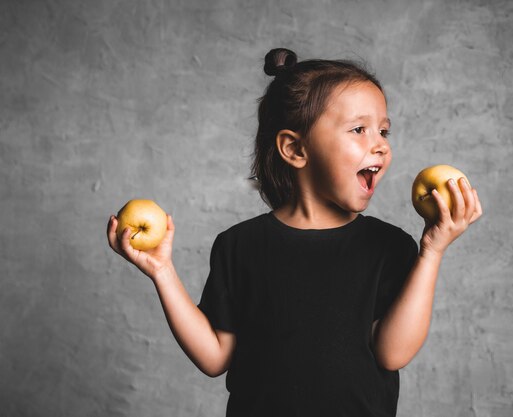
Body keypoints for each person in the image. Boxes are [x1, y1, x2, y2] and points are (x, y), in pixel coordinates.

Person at [107, 48, 482, 417]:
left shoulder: (390, 246)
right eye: (359, 129)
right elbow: (214, 356)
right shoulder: (240, 245)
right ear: (294, 148)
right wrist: (162, 272)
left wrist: (431, 251)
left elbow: (392, 353)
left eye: (383, 130)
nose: (381, 145)